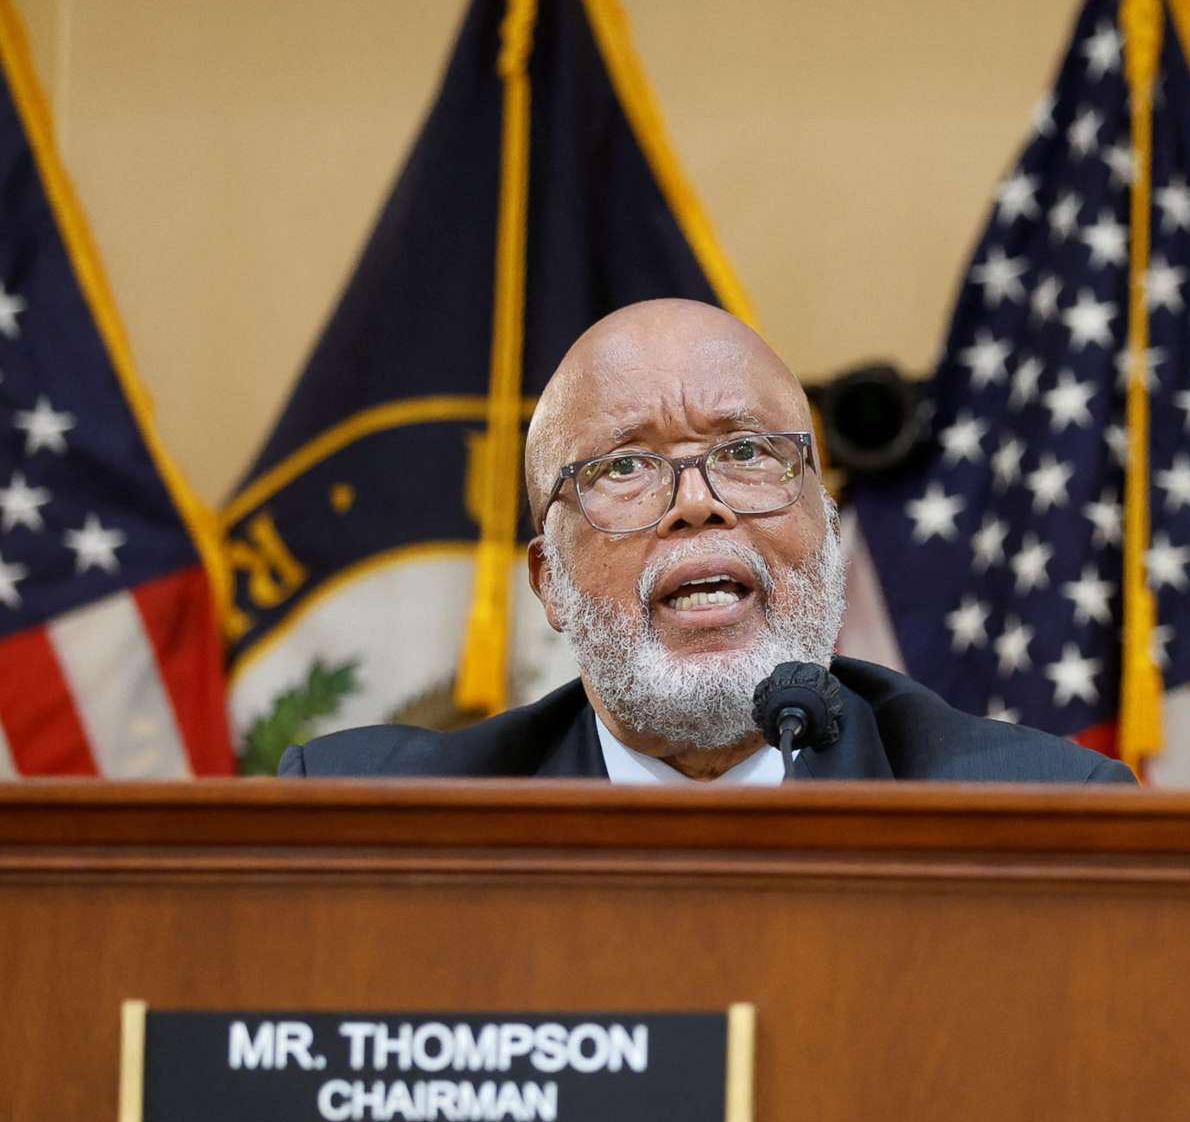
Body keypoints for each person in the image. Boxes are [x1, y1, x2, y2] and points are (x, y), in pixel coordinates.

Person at [280, 299, 1129, 786]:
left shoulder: (1033, 813)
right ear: (548, 580)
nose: (697, 506)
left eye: (748, 452)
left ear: (826, 530)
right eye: (624, 468)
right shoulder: (380, 818)